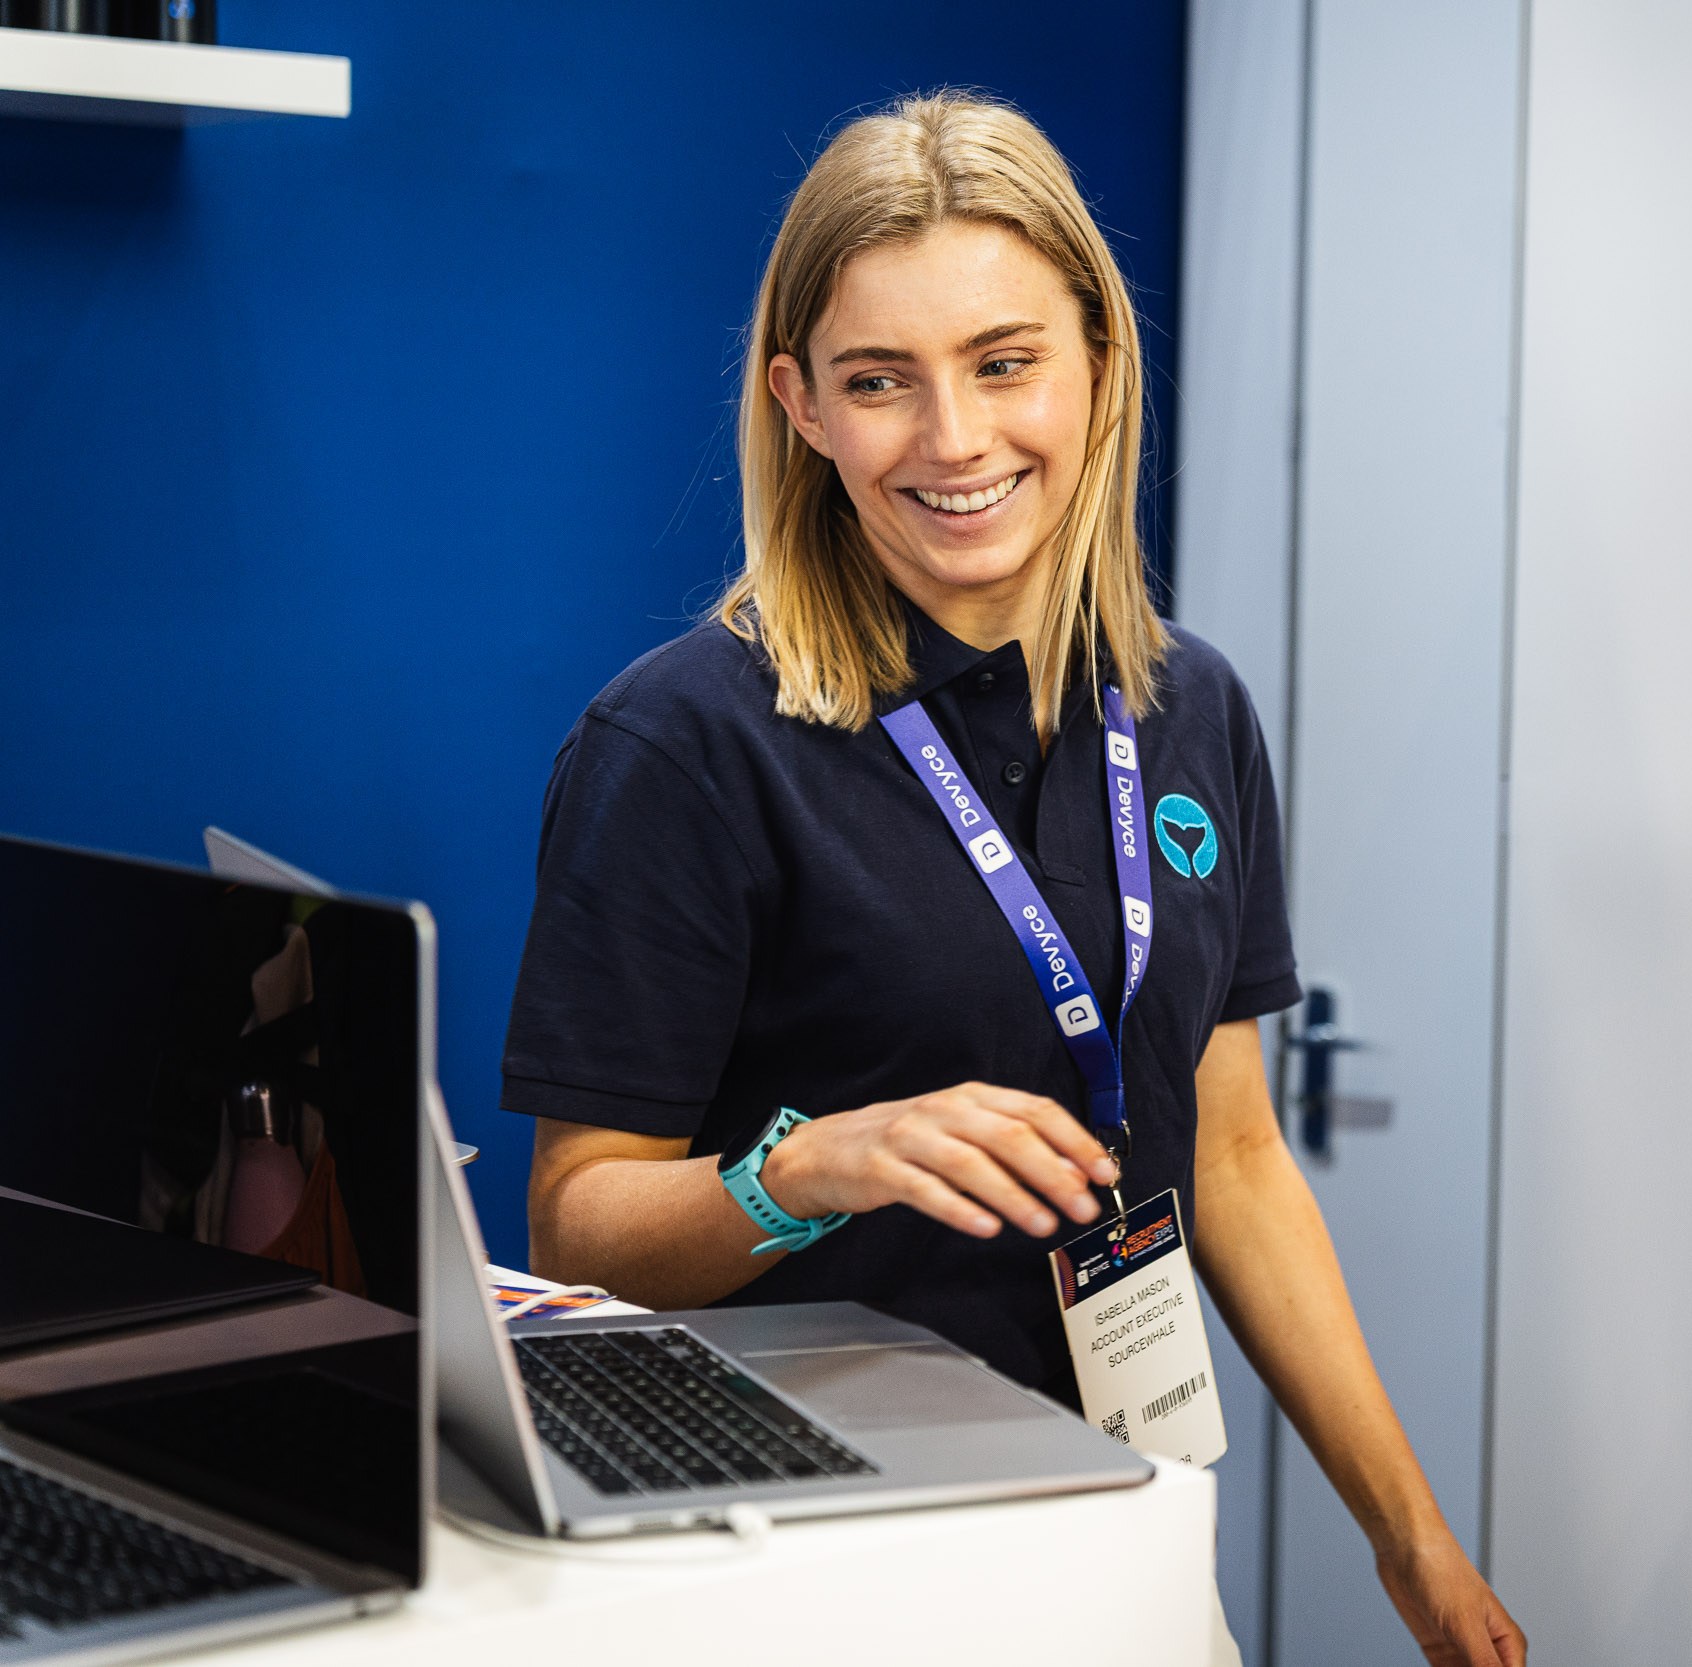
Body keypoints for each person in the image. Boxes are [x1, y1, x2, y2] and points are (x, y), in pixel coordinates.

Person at [502, 91, 1526, 1667]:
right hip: (801, 1564)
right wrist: (813, 1166)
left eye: (1003, 361)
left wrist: (1414, 1543)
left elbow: (1238, 1159)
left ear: (1098, 369)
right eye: (878, 382)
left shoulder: (1190, 708)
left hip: (1124, 1523)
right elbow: (576, 1227)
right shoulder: (684, 741)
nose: (956, 440)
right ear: (803, 408)